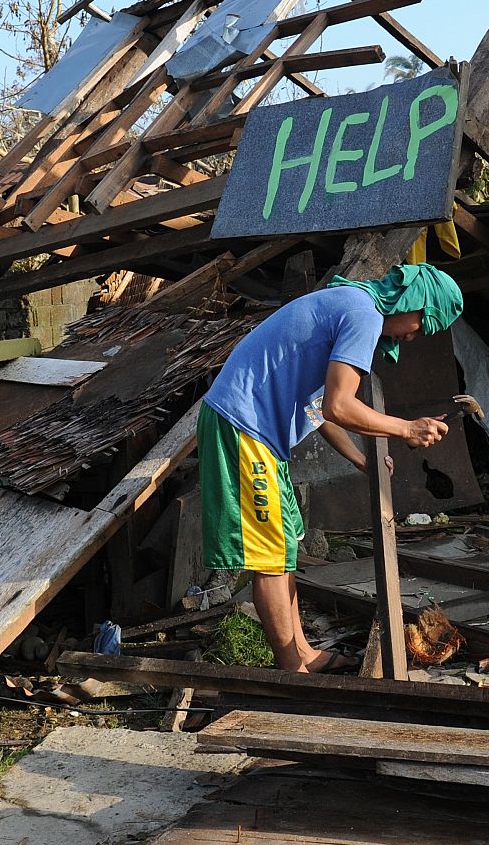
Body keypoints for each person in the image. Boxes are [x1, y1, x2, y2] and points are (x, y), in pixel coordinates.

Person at [198, 262, 464, 672]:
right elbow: (341, 406)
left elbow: (320, 408)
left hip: (260, 435)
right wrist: (406, 428)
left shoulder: (353, 304)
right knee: (269, 556)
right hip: (243, 426)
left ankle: (302, 652)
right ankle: (293, 669)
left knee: (284, 546)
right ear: (413, 301)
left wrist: (363, 460)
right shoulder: (364, 314)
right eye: (420, 325)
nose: (412, 336)